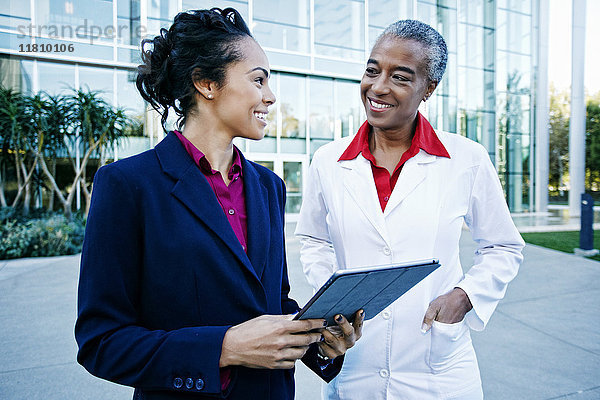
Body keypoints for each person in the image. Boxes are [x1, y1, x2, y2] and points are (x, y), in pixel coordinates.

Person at [74, 8, 363, 400]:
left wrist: (322, 342)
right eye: (258, 79)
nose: (271, 96)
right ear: (206, 83)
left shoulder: (268, 187)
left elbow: (273, 303)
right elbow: (102, 342)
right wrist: (224, 348)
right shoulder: (127, 185)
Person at [295, 19, 524, 399]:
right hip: (355, 361)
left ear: (428, 88)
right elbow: (313, 239)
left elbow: (503, 246)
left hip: (437, 366)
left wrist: (465, 296)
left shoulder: (466, 159)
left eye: (400, 77)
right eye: (372, 71)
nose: (378, 87)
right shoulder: (327, 160)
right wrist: (336, 298)